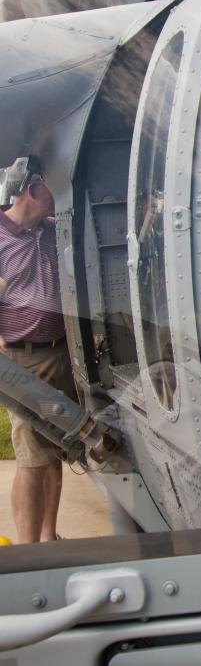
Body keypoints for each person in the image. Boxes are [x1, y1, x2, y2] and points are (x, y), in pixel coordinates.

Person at [0, 156, 74, 543]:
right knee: (32, 457)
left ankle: (48, 536)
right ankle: (29, 549)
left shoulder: (50, 229)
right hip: (20, 359)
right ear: (32, 190)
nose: (61, 197)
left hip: (60, 353)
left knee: (58, 446)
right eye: (55, 190)